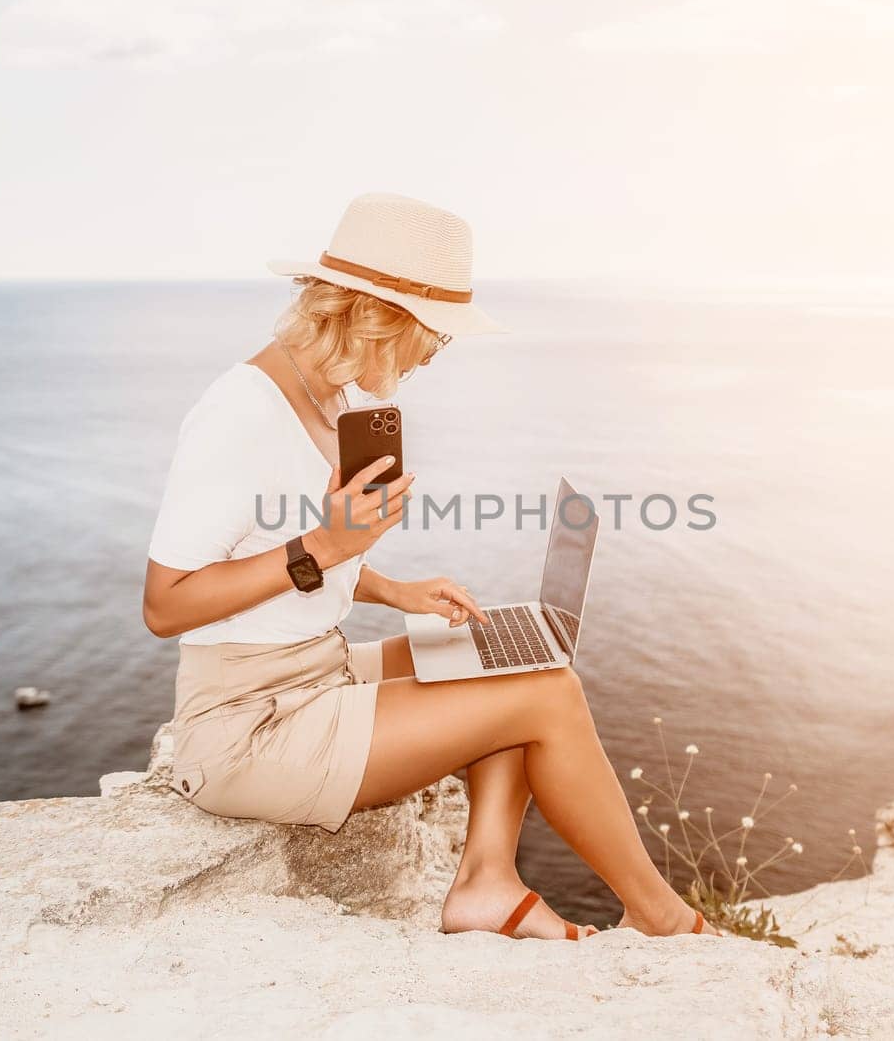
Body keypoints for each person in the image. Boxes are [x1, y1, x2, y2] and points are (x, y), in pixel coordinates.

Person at [142, 192, 717, 939]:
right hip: (250, 726)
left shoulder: (325, 398)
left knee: (496, 646)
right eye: (437, 337)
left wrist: (388, 585)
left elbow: (278, 547)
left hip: (316, 669)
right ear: (385, 318)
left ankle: (487, 881)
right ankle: (665, 920)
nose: (434, 356)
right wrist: (324, 547)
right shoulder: (242, 411)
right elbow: (166, 603)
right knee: (547, 691)